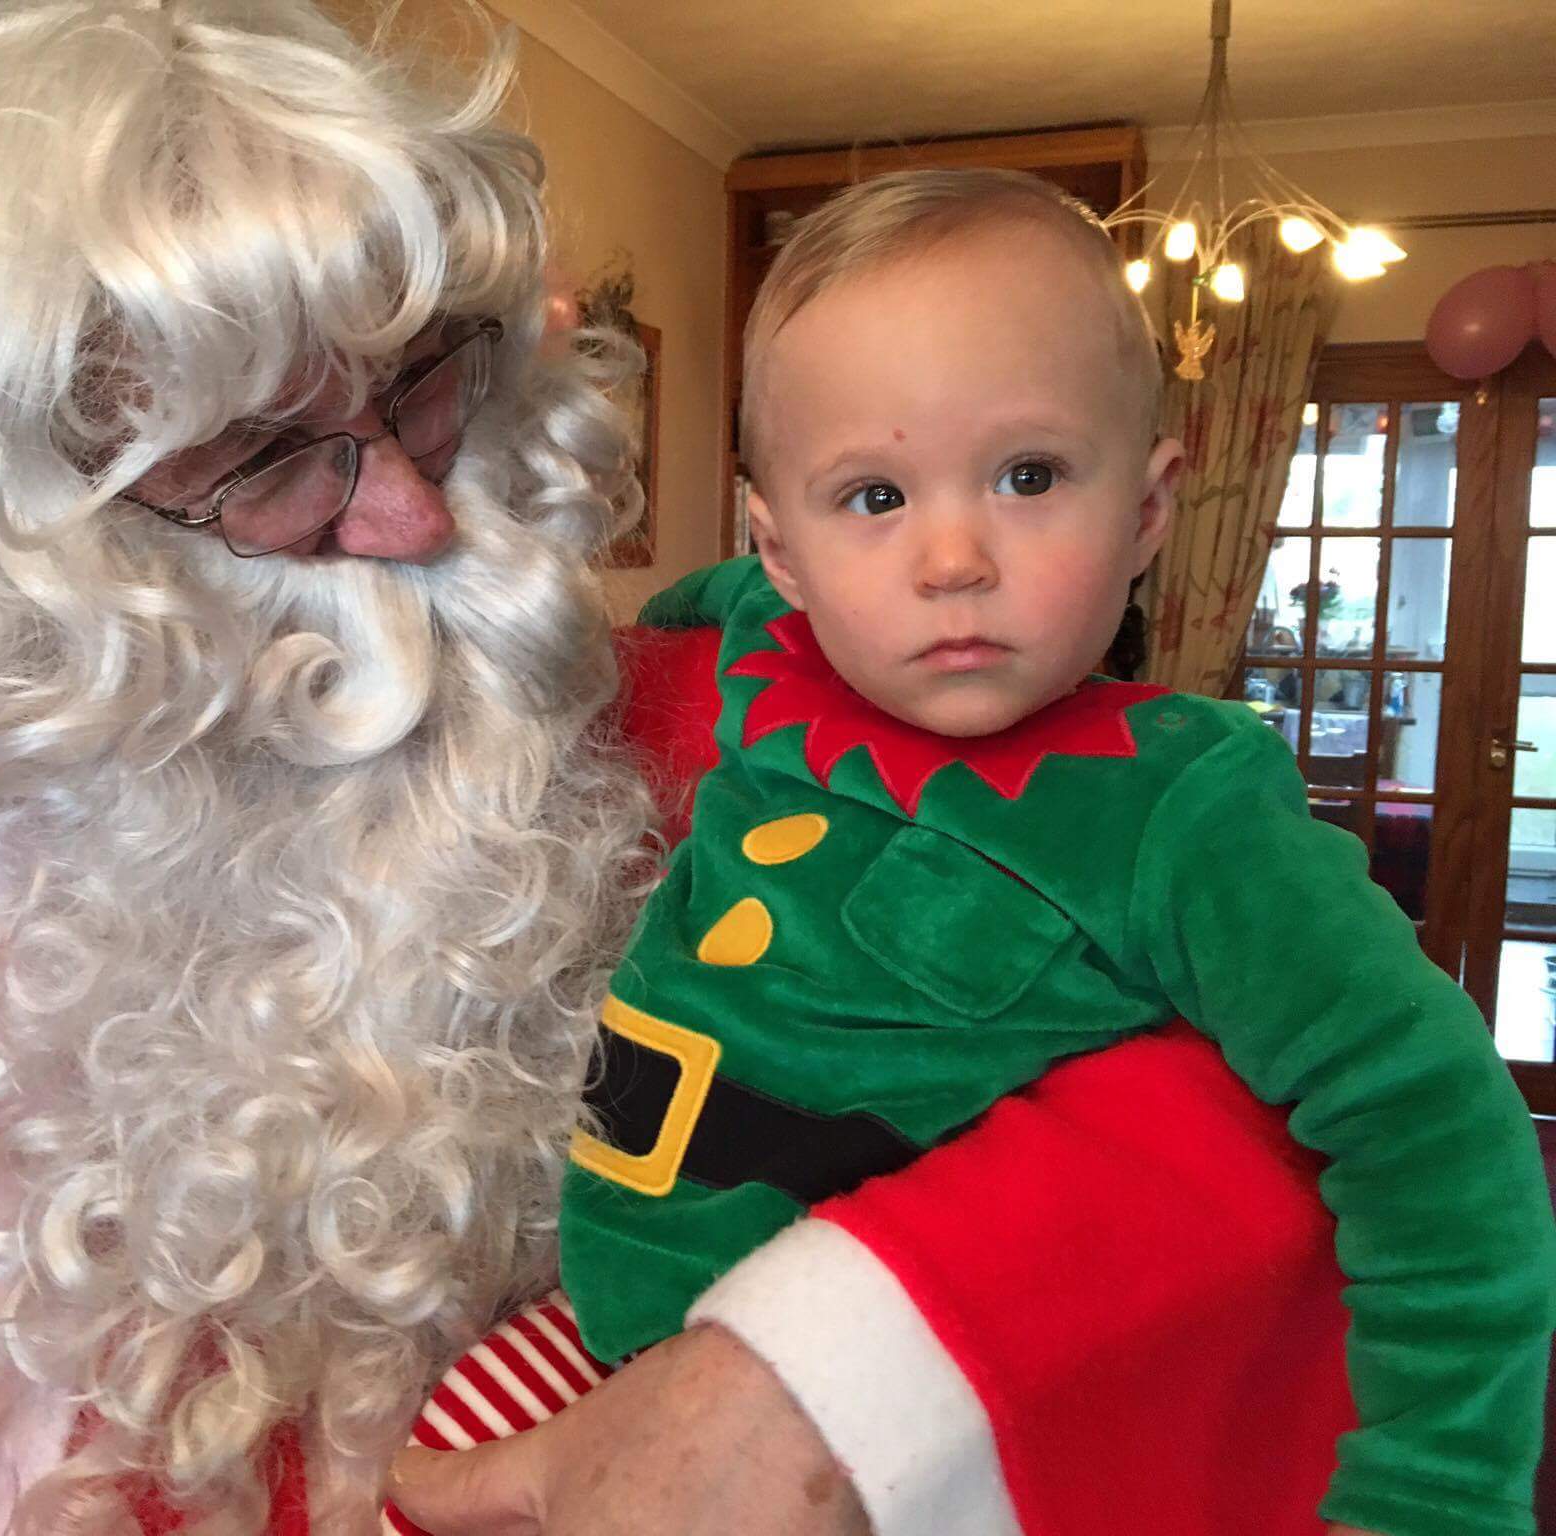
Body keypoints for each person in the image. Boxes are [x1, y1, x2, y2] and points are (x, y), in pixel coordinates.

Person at [0, 8, 1369, 1536]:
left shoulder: (768, 738)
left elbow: (1318, 1083)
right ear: (20, 543)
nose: (410, 515)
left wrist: (829, 1379)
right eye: (265, 460)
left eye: (421, 381)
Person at [521, 169, 1551, 1536]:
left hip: (929, 1462)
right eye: (873, 496)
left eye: (1028, 476)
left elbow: (1435, 1128)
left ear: (1148, 509)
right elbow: (691, 607)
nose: (953, 557)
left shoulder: (1181, 810)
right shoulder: (761, 648)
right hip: (592, 1344)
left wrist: (1435, 1488)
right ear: (783, 550)